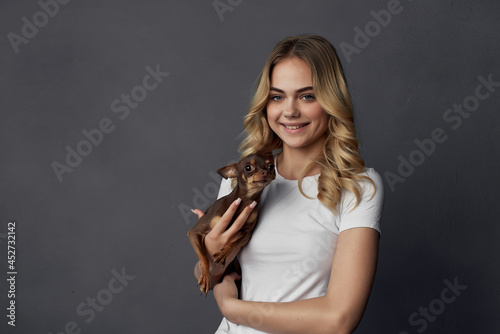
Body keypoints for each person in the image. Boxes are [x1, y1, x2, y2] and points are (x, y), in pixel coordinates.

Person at [193, 34, 384, 334]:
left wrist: (232, 308)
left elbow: (338, 319)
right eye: (277, 96)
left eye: (307, 96)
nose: (290, 111)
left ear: (331, 100)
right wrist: (210, 252)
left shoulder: (358, 187)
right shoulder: (244, 178)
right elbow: (210, 273)